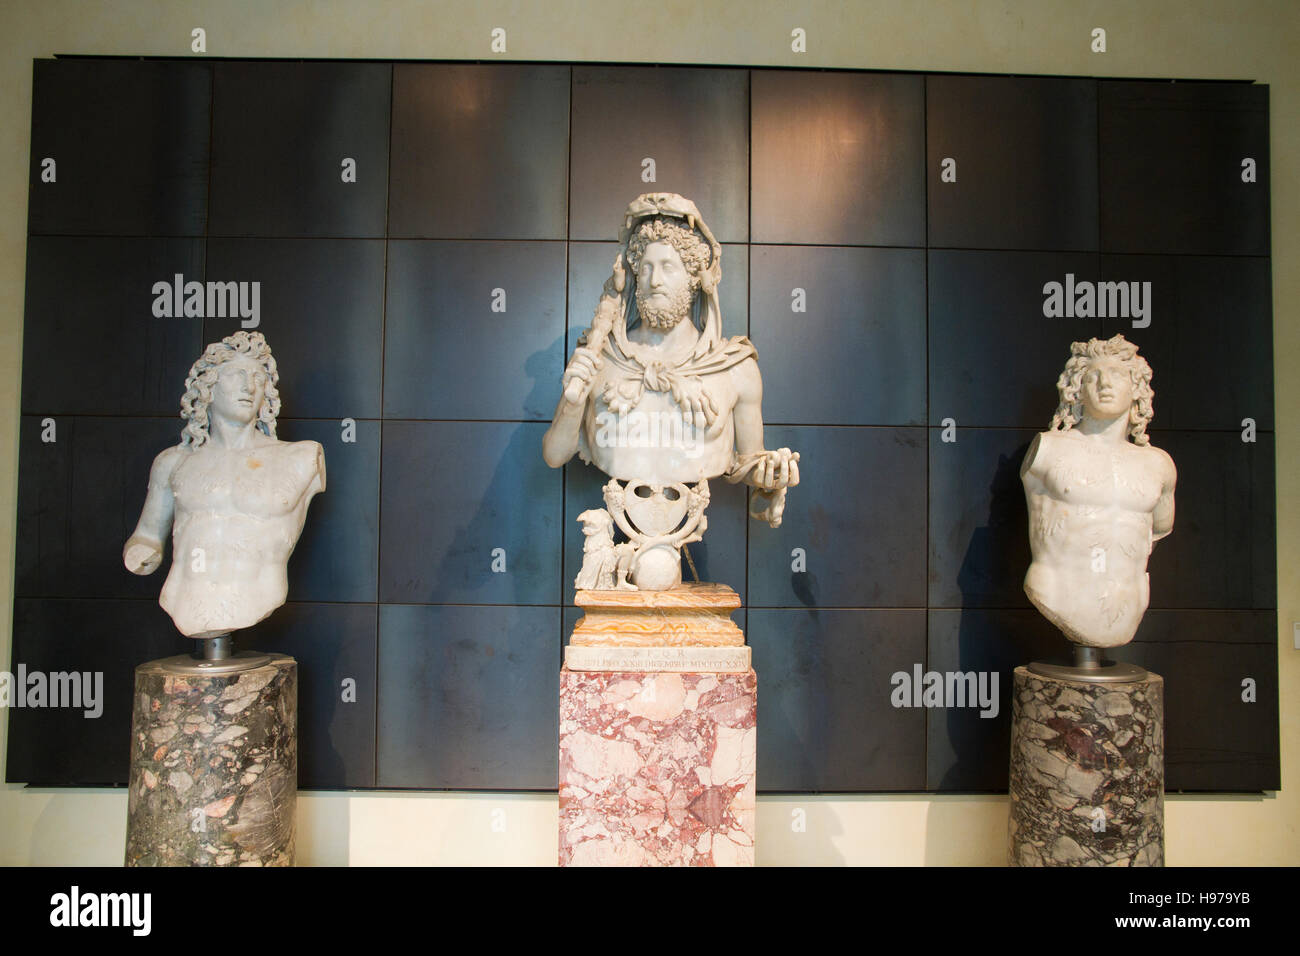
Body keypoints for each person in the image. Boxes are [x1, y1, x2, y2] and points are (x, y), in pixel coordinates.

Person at [124, 331, 325, 639]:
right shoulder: (173, 463)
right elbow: (147, 537)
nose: (249, 386)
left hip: (257, 599)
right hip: (183, 601)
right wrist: (140, 554)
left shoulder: (299, 458)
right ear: (208, 388)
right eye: (236, 375)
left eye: (259, 378)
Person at [1021, 334, 1176, 648]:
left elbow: (1158, 531)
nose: (1105, 384)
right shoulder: (1049, 450)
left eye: (1118, 375)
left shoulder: (1158, 465)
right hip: (1057, 595)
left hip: (1127, 604)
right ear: (1077, 387)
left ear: (1137, 388)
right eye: (1093, 376)